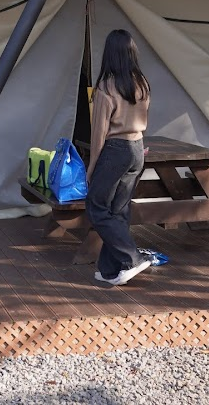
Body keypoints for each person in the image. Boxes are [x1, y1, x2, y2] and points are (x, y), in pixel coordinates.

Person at [87, 28, 153, 286]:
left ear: (109, 55)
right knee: (118, 210)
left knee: (96, 207)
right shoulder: (142, 83)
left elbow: (98, 134)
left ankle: (131, 258)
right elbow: (142, 120)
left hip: (115, 150)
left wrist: (92, 167)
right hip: (137, 148)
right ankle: (109, 270)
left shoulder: (105, 87)